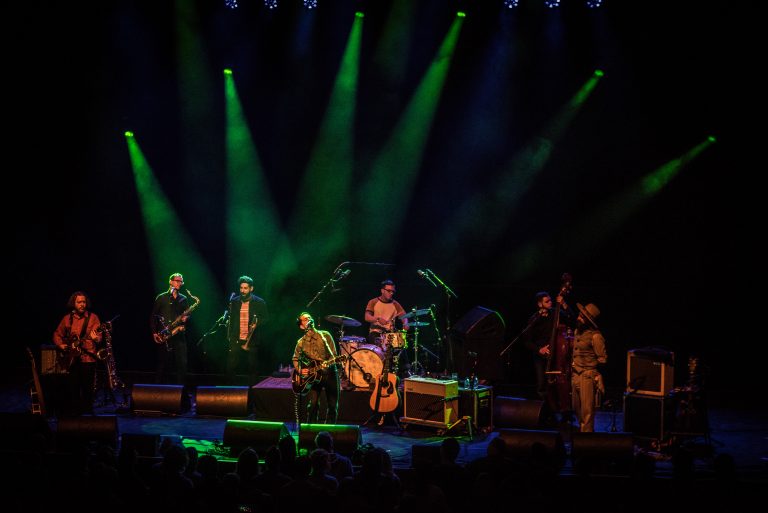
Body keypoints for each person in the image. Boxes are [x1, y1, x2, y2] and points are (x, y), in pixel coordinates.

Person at [52, 291, 103, 415]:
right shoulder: (67, 319)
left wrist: (96, 338)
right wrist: (61, 345)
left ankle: (87, 414)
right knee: (73, 387)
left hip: (88, 358)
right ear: (73, 303)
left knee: (87, 389)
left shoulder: (93, 318)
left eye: (84, 302)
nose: (82, 304)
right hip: (71, 359)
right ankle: (74, 414)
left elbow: (99, 338)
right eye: (79, 302)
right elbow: (57, 334)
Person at [522, 291, 574, 406]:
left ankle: (559, 405)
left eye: (550, 300)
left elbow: (571, 317)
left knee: (556, 381)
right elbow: (527, 342)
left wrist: (563, 303)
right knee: (541, 383)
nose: (551, 302)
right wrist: (539, 349)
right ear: (540, 304)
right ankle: (544, 408)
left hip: (556, 354)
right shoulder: (534, 319)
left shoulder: (555, 312)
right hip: (540, 355)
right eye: (547, 301)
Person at [292, 312, 341, 424]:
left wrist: (329, 363)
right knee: (313, 404)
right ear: (301, 326)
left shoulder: (325, 335)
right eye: (305, 319)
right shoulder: (301, 342)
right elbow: (295, 358)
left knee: (332, 405)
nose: (309, 319)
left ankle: (329, 430)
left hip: (330, 373)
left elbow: (334, 355)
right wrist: (300, 370)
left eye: (310, 317)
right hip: (313, 376)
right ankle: (311, 430)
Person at [151, 272, 194, 385]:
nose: (180, 283)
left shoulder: (183, 298)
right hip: (164, 334)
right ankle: (158, 389)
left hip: (178, 335)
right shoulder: (161, 297)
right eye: (177, 281)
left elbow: (188, 314)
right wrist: (154, 332)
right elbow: (153, 316)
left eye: (181, 281)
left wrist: (186, 318)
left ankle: (181, 389)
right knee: (162, 363)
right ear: (170, 282)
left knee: (182, 363)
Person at [224, 275, 268, 383]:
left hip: (252, 340)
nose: (242, 291)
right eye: (241, 288)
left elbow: (266, 319)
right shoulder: (234, 302)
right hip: (236, 338)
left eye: (245, 288)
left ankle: (252, 390)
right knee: (231, 366)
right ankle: (231, 389)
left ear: (251, 288)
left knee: (252, 367)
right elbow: (231, 319)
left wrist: (257, 323)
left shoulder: (259, 302)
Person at [571, 302, 607, 432]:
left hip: (587, 375)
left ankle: (586, 437)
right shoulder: (577, 331)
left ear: (588, 320)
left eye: (582, 316)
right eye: (579, 315)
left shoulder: (596, 336)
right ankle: (582, 430)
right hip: (575, 374)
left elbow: (602, 359)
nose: (578, 318)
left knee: (587, 411)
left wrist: (597, 375)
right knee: (576, 407)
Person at [364, 279, 410, 375]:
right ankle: (378, 371)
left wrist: (405, 323)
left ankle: (405, 371)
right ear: (382, 290)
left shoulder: (395, 304)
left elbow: (404, 316)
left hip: (389, 334)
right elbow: (367, 317)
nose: (391, 293)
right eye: (389, 291)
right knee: (378, 347)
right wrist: (377, 319)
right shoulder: (373, 302)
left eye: (393, 291)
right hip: (376, 332)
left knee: (401, 344)